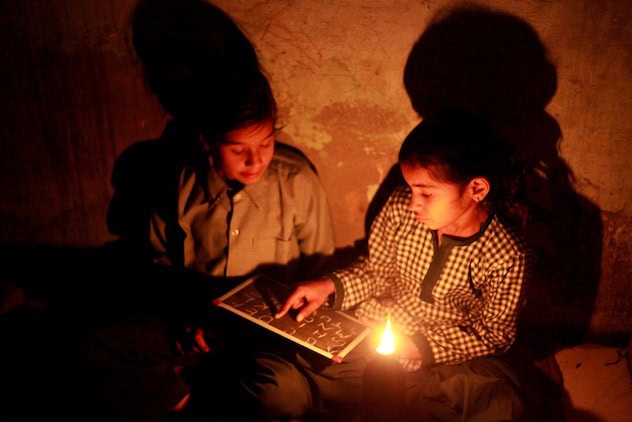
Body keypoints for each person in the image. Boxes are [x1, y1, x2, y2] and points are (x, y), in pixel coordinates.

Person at [83, 0, 336, 420]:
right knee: (98, 345)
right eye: (239, 150)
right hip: (193, 323)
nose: (256, 162)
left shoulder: (297, 181)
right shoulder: (180, 181)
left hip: (265, 333)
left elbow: (320, 268)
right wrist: (185, 318)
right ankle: (183, 402)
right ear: (207, 141)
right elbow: (155, 262)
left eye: (267, 144)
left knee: (284, 394)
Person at [268, 108, 534, 421]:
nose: (412, 203)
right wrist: (328, 286)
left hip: (446, 361)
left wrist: (420, 348)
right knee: (279, 386)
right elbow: (377, 273)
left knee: (497, 403)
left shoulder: (507, 256)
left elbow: (494, 334)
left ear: (476, 189)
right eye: (411, 189)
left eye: (426, 192)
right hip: (372, 342)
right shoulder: (399, 210)